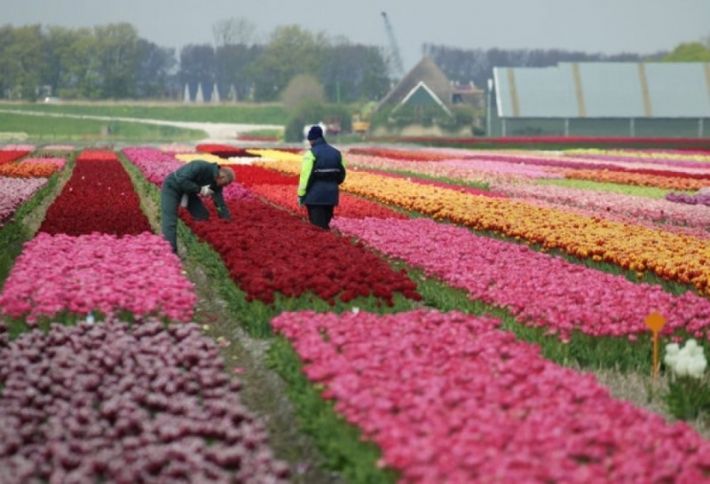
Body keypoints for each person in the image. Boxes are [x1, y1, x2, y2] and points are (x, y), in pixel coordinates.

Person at [161, 160, 234, 253]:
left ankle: (192, 246)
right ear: (222, 177)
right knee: (170, 219)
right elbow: (181, 179)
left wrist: (226, 220)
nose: (224, 186)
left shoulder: (217, 182)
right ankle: (170, 252)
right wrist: (200, 189)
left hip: (189, 192)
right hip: (173, 186)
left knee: (202, 215)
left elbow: (219, 202)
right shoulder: (199, 166)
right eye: (225, 184)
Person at [297, 125, 346, 230]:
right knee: (325, 224)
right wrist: (332, 184)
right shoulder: (336, 153)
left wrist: (301, 194)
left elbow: (305, 176)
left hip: (315, 197)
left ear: (311, 140)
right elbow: (342, 174)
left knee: (317, 228)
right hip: (331, 196)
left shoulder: (311, 154)